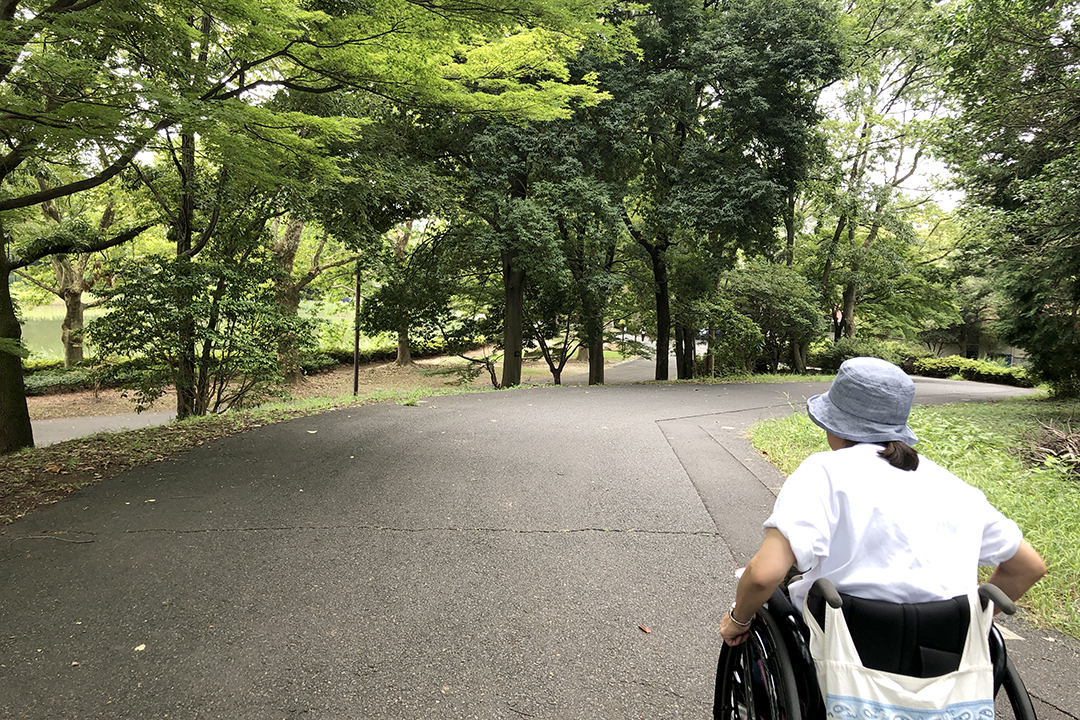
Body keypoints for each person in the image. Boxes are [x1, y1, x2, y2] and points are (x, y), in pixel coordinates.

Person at [720, 356, 1047, 647]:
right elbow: (1028, 567)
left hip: (842, 645)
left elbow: (763, 574)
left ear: (834, 423)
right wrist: (968, 625)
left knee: (778, 588)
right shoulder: (953, 486)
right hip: (945, 655)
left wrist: (738, 620)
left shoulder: (823, 471)